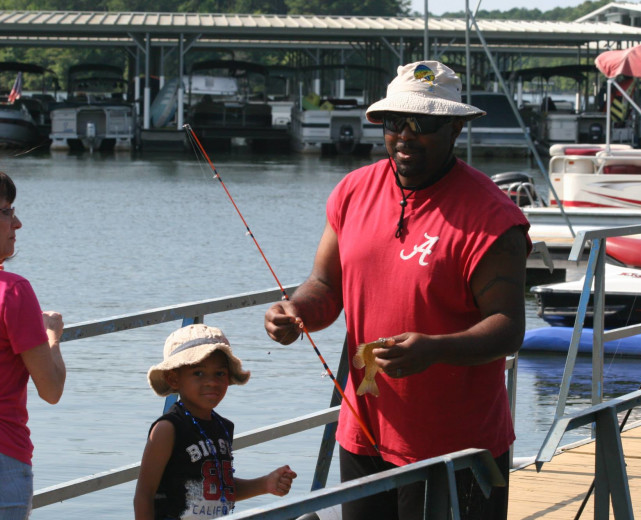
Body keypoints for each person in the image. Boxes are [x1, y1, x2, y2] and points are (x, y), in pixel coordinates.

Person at [263, 60, 531, 519]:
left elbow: (508, 328)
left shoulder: (492, 217)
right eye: (394, 121)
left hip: (457, 447)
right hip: (363, 434)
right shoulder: (352, 191)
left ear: (454, 129)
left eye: (423, 123)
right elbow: (326, 285)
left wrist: (435, 349)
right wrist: (295, 312)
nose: (405, 134)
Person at [133, 323, 296, 520]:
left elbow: (218, 488)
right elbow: (144, 495)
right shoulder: (168, 429)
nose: (211, 382)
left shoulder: (223, 428)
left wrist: (264, 484)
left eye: (219, 373)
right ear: (173, 379)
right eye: (198, 373)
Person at [0, 171, 66, 520]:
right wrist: (53, 338)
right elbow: (51, 389)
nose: (18, 223)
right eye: (8, 211)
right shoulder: (13, 291)